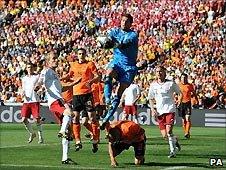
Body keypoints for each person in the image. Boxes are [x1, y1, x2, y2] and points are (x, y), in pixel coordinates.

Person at [36, 52, 79, 164]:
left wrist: (74, 83)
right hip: (56, 100)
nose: (56, 60)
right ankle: (62, 130)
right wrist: (38, 86)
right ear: (48, 61)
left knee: (68, 131)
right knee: (69, 113)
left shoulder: (53, 74)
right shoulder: (46, 71)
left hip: (56, 100)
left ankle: (65, 157)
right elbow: (41, 80)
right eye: (53, 58)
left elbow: (61, 88)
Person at [101, 13, 139, 130]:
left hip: (129, 68)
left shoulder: (133, 35)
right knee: (108, 73)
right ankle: (107, 98)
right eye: (122, 20)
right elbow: (106, 38)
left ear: (130, 23)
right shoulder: (115, 31)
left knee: (119, 92)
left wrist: (111, 44)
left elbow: (122, 45)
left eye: (127, 21)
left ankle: (106, 119)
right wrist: (104, 41)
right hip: (117, 63)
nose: (124, 23)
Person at [69, 48, 100, 153]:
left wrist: (91, 81)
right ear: (77, 55)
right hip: (76, 95)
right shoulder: (73, 65)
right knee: (76, 118)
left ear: (85, 55)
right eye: (79, 54)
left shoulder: (90, 64)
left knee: (92, 118)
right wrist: (62, 78)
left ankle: (95, 140)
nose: (81, 55)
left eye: (82, 54)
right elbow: (70, 75)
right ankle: (78, 141)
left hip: (87, 94)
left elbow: (98, 76)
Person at [148, 66, 182, 158]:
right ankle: (175, 141)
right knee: (165, 136)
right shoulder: (153, 85)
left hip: (170, 109)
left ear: (165, 72)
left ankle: (172, 151)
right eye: (157, 71)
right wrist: (152, 109)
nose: (159, 73)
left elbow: (179, 93)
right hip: (159, 111)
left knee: (169, 130)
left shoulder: (171, 83)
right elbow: (150, 98)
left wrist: (179, 100)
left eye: (161, 71)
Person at [20, 63, 44, 144]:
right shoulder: (24, 78)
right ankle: (32, 133)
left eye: (31, 67)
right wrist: (22, 93)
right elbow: (23, 88)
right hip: (26, 101)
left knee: (36, 119)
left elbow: (42, 86)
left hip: (35, 101)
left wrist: (40, 91)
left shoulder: (37, 77)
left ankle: (41, 137)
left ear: (33, 68)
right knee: (23, 119)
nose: (29, 69)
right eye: (28, 67)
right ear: (26, 68)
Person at [178, 73, 198, 139]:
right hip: (181, 104)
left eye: (185, 78)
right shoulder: (178, 85)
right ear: (180, 78)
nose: (183, 79)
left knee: (188, 118)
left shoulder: (190, 85)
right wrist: (176, 101)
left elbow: (194, 93)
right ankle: (186, 132)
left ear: (187, 78)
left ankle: (187, 132)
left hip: (188, 103)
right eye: (182, 78)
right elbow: (175, 94)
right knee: (183, 120)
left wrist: (196, 100)